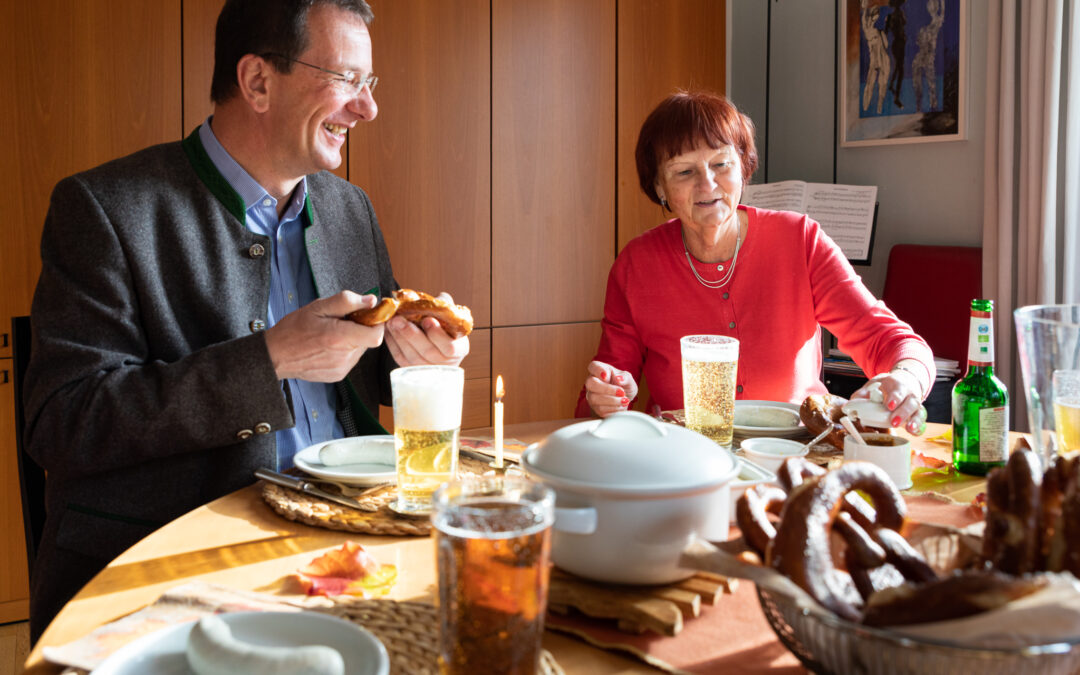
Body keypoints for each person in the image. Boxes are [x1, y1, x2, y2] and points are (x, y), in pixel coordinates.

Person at [23, 0, 467, 641]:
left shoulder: (349, 209)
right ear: (258, 81)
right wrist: (268, 361)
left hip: (348, 540)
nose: (367, 109)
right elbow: (64, 421)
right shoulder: (104, 209)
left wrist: (413, 358)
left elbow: (363, 369)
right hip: (177, 569)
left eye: (370, 85)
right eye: (347, 79)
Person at [575, 90, 934, 435]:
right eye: (684, 172)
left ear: (744, 168)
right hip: (687, 459)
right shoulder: (637, 265)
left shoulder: (800, 240)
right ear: (658, 187)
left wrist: (906, 378)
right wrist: (607, 397)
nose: (708, 184)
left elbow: (888, 338)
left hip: (797, 454)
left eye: (721, 164)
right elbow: (601, 394)